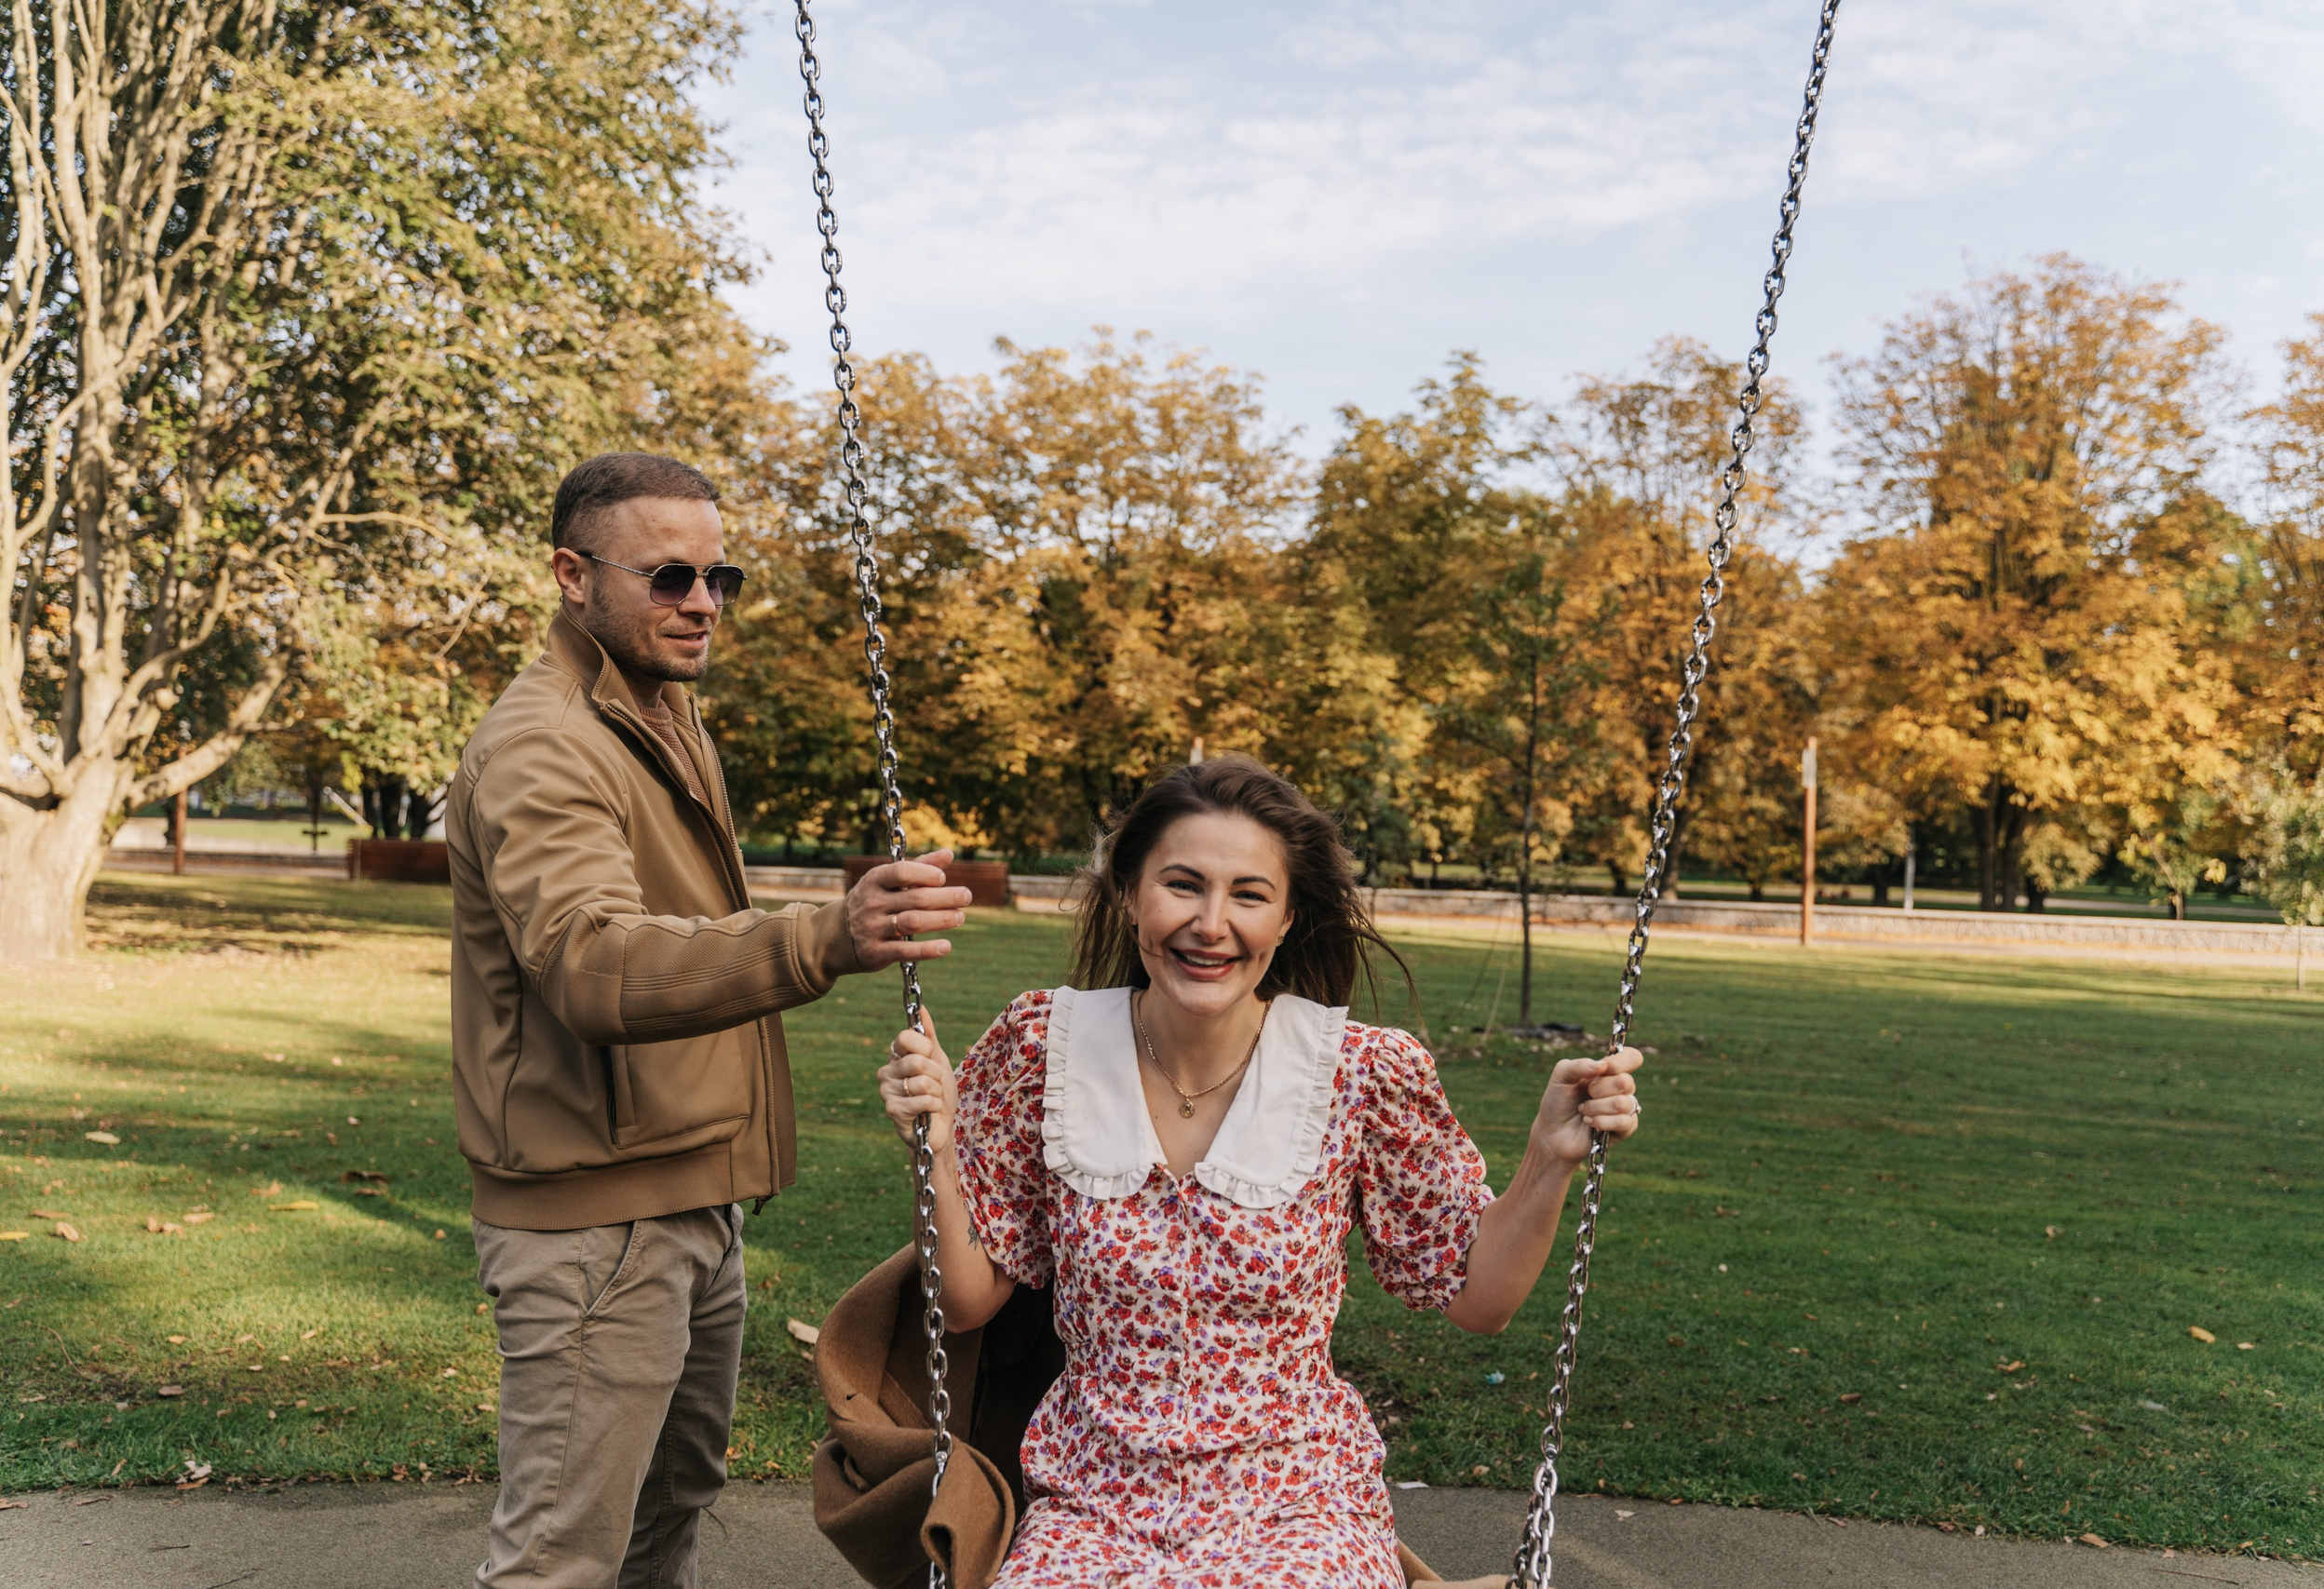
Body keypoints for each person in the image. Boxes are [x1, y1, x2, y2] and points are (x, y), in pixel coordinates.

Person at [876, 756, 1643, 1589]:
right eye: (1183, 884)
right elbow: (965, 1299)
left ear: (1285, 919)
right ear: (1131, 892)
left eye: (1248, 894)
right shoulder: (1042, 1050)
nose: (1211, 923)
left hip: (1293, 1500)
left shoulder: (1355, 1074)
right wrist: (940, 1146)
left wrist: (1548, 1158)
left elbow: (1479, 1296)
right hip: (1094, 1500)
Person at [447, 451, 972, 1589]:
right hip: (595, 1225)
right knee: (561, 1556)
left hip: (687, 1191)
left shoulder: (661, 711)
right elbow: (591, 963)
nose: (702, 602)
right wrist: (821, 939)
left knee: (668, 1508)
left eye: (719, 577)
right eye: (669, 576)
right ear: (570, 576)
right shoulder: (544, 745)